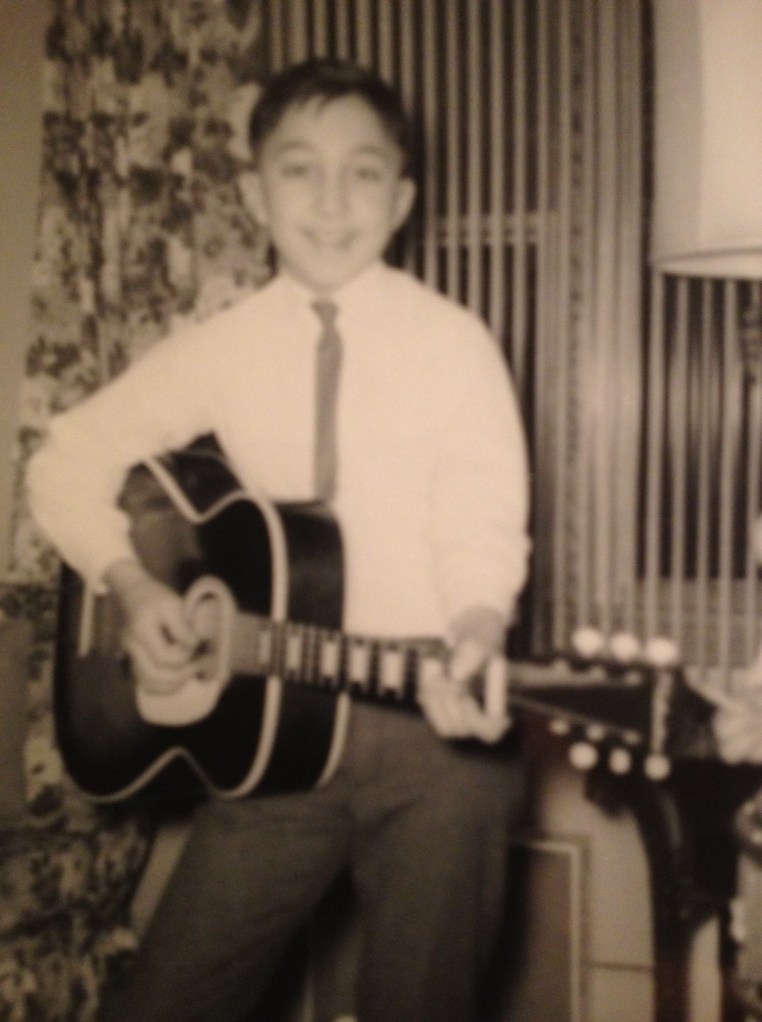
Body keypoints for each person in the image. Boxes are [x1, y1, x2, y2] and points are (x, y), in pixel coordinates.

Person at [27, 57, 531, 1022]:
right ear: (255, 195)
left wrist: (478, 622)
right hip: (275, 726)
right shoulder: (223, 344)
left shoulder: (455, 343)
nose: (331, 201)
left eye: (363, 173)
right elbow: (64, 460)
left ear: (402, 200)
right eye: (300, 170)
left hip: (435, 732)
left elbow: (482, 514)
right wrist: (133, 585)